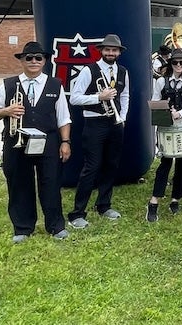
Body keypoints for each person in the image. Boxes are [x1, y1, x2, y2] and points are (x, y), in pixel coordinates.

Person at [0, 42, 72, 243]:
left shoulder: (55, 84)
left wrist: (65, 142)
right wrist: (6, 111)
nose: (34, 61)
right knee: (19, 184)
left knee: (51, 183)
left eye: (38, 58)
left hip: (49, 142)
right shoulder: (8, 84)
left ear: (44, 61)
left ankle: (55, 226)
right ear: (22, 61)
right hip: (16, 142)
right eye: (29, 58)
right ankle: (23, 228)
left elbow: (64, 118)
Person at [67, 33, 129, 228]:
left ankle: (104, 205)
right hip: (95, 124)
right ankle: (77, 213)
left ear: (119, 52)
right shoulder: (88, 70)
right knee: (91, 167)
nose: (111, 52)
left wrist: (123, 117)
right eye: (107, 49)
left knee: (111, 165)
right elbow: (74, 98)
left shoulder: (123, 71)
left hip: (115, 123)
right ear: (101, 51)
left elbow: (125, 95)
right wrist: (98, 97)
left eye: (114, 50)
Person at [146, 49, 182, 222]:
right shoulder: (161, 81)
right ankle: (154, 201)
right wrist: (166, 111)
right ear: (170, 64)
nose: (178, 65)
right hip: (166, 126)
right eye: (175, 62)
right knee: (165, 163)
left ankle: (175, 199)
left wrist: (179, 114)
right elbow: (155, 101)